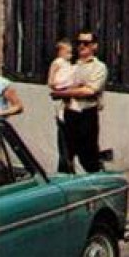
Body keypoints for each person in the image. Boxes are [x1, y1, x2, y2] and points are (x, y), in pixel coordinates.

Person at [53, 30, 108, 173]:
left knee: (88, 157)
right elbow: (55, 84)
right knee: (65, 158)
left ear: (94, 46)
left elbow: (90, 91)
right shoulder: (69, 64)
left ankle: (98, 186)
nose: (82, 46)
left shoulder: (98, 67)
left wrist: (65, 92)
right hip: (68, 113)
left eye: (86, 43)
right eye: (79, 43)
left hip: (86, 114)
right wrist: (71, 89)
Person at [48, 38, 75, 173]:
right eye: (67, 52)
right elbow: (51, 82)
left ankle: (68, 167)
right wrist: (64, 86)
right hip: (63, 101)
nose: (70, 55)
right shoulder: (58, 63)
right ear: (60, 52)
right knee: (65, 140)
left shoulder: (69, 65)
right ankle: (66, 169)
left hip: (69, 103)